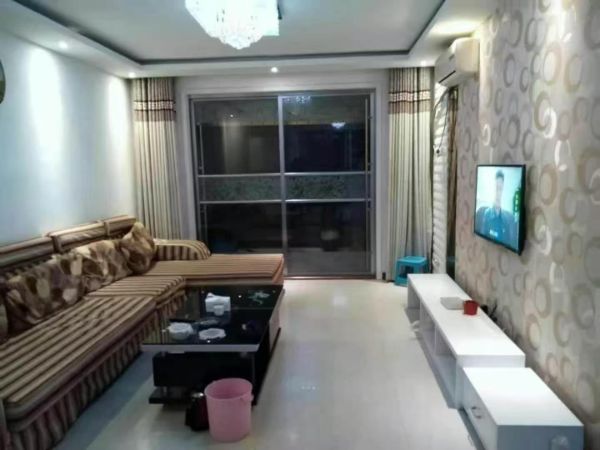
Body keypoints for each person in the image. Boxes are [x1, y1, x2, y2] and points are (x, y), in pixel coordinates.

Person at [479, 170, 517, 248]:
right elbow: (482, 239)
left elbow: (510, 245)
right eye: (496, 188)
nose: (498, 193)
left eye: (500, 189)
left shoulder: (508, 219)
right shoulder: (486, 214)